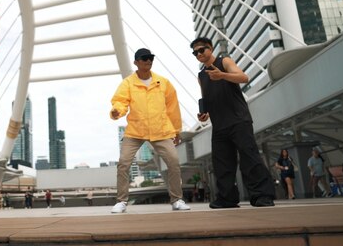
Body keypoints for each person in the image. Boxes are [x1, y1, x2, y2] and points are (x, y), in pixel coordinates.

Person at [191, 37, 275, 208]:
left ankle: (262, 196)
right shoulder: (201, 75)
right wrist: (204, 114)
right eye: (195, 52)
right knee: (221, 164)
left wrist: (222, 75)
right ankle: (227, 198)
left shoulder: (225, 61)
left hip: (238, 120)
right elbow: (207, 97)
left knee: (250, 158)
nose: (199, 54)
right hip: (219, 124)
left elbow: (244, 77)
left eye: (202, 50)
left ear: (211, 48)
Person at [110, 48, 190, 213]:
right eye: (144, 58)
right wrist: (117, 111)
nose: (148, 61)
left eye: (150, 58)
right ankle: (121, 201)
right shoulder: (128, 83)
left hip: (160, 130)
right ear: (136, 62)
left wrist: (176, 130)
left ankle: (177, 200)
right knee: (123, 163)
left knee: (174, 162)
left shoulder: (163, 82)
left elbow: (172, 108)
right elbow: (120, 101)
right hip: (135, 130)